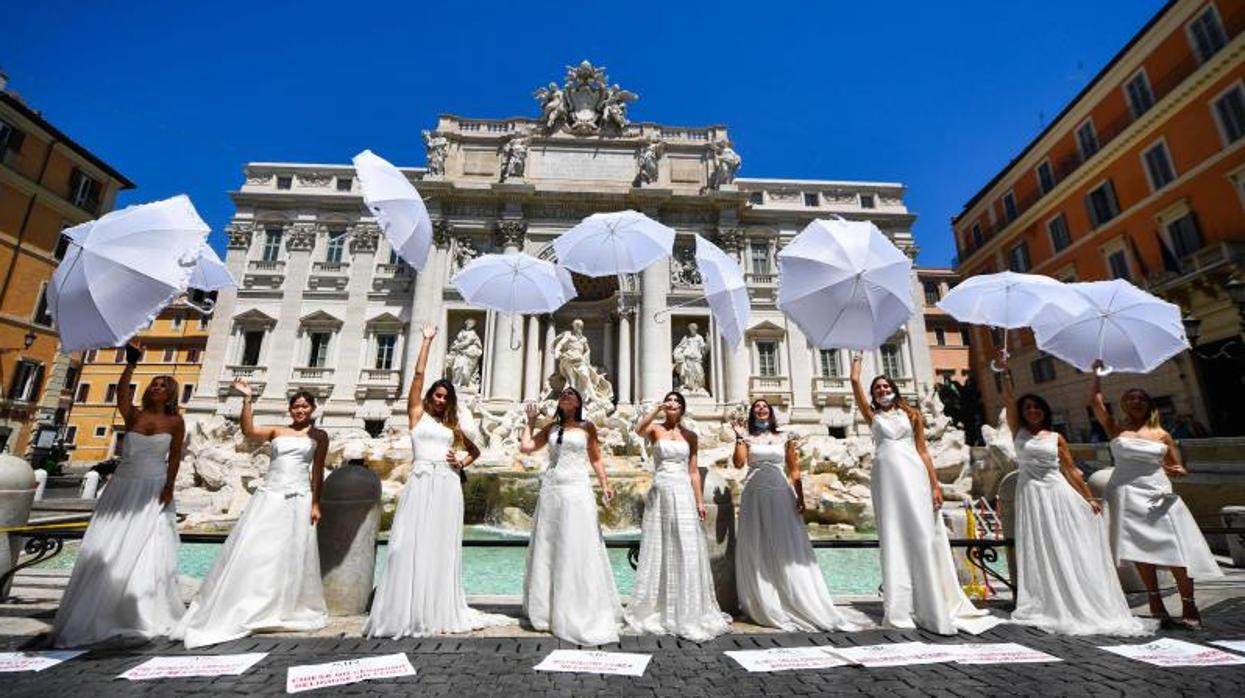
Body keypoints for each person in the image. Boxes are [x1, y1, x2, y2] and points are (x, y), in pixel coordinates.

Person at [366, 323, 513, 637]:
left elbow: (475, 450)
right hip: (420, 482)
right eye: (438, 394)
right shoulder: (416, 415)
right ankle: (406, 608)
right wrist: (426, 341)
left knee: (439, 546)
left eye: (446, 397)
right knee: (405, 544)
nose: (441, 400)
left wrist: (460, 462)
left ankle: (434, 607)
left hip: (447, 484)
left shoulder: (453, 426)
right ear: (431, 395)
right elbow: (417, 378)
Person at [998, 353, 1149, 636]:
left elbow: (1072, 472)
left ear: (1044, 412)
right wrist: (1006, 373)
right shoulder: (1017, 431)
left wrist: (1089, 498)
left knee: (1063, 544)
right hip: (1031, 495)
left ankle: (1073, 597)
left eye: (1037, 408)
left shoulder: (1057, 438)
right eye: (1028, 407)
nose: (1032, 411)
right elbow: (1009, 401)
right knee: (1040, 546)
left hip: (1057, 493)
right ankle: (1047, 599)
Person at [50, 341, 185, 647]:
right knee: (108, 543)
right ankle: (100, 606)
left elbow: (175, 457)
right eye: (154, 384)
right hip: (124, 484)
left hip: (153, 485)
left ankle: (139, 610)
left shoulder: (176, 422)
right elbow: (121, 395)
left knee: (149, 547)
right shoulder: (133, 416)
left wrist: (168, 487)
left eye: (163, 386)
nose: (156, 388)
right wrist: (131, 364)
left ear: (171, 394)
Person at [175, 382, 329, 648]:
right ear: (290, 409)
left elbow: (317, 471)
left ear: (313, 408)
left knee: (291, 550)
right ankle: (246, 597)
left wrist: (316, 503)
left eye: (304, 406)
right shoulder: (276, 431)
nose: (299, 410)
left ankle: (282, 602)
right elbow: (248, 431)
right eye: (295, 406)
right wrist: (247, 399)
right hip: (271, 494)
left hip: (299, 496)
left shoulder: (320, 436)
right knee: (257, 546)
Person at [849, 355, 983, 635]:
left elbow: (923, 451)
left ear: (894, 390)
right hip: (885, 478)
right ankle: (899, 607)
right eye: (877, 389)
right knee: (893, 534)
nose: (882, 391)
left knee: (923, 532)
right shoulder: (872, 416)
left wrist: (935, 485)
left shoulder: (913, 415)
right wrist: (857, 364)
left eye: (886, 387)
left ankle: (930, 602)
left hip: (913, 472)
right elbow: (853, 383)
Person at [1090, 363, 1222, 629]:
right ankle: (1155, 601)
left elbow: (1179, 467)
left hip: (1157, 492)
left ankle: (1188, 602)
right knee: (1139, 549)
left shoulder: (1163, 434)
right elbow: (1095, 403)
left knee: (1176, 549)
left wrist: (1175, 470)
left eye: (1140, 399)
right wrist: (1096, 375)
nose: (1135, 402)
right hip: (1126, 492)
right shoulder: (1117, 430)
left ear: (1148, 405)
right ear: (1124, 406)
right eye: (1130, 399)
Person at [732, 399, 857, 631]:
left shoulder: (785, 437)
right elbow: (739, 463)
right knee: (756, 545)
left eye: (764, 407)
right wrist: (739, 437)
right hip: (754, 493)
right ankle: (763, 601)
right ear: (752, 414)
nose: (761, 409)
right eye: (757, 407)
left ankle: (793, 598)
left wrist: (799, 496)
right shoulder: (747, 438)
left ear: (770, 413)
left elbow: (794, 469)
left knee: (785, 545)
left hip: (780, 492)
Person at [625, 392, 730, 641]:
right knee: (659, 546)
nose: (672, 404)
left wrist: (698, 501)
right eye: (669, 401)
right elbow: (638, 431)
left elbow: (693, 471)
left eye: (676, 402)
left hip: (682, 490)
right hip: (660, 489)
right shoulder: (655, 430)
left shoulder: (690, 436)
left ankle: (687, 608)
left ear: (682, 408)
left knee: (686, 546)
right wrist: (655, 410)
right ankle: (659, 608)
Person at [520, 387, 621, 645]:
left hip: (577, 488)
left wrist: (605, 484)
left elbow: (596, 459)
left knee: (577, 544)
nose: (566, 397)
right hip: (552, 488)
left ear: (578, 402)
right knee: (550, 544)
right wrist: (530, 423)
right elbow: (527, 448)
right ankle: (547, 611)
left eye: (571, 395)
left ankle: (580, 606)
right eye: (563, 394)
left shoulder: (588, 427)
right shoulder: (551, 429)